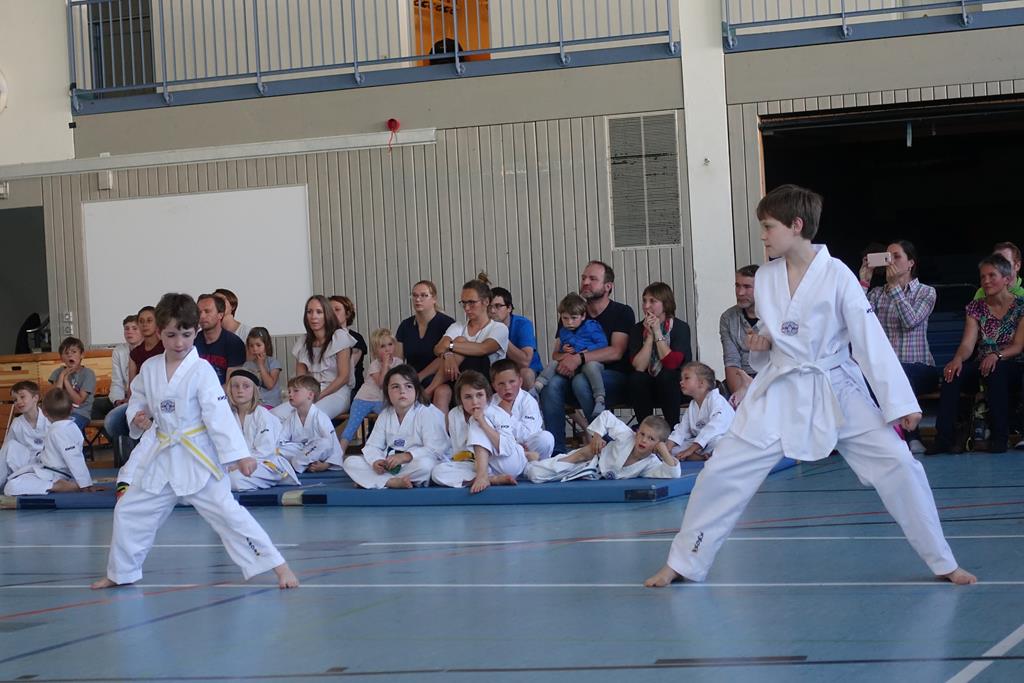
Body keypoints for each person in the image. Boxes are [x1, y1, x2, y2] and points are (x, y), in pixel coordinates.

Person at [644, 184, 975, 588]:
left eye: (769, 226)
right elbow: (781, 330)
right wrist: (763, 342)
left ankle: (943, 561)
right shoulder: (767, 278)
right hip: (781, 386)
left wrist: (899, 402)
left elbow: (868, 338)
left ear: (796, 225)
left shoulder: (837, 275)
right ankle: (684, 561)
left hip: (835, 385)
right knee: (722, 471)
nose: (763, 235)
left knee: (900, 465)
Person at [91, 293, 298, 590]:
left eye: (186, 335)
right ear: (159, 332)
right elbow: (138, 399)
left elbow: (218, 416)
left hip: (197, 457)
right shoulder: (150, 368)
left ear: (196, 332)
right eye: (171, 335)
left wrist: (239, 455)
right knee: (128, 510)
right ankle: (120, 573)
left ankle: (279, 566)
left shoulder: (201, 370)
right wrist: (138, 415)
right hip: (163, 456)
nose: (179, 343)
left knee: (228, 514)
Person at [929, 253, 1024, 455]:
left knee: (997, 371)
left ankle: (999, 438)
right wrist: (957, 359)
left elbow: (1018, 346)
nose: (986, 281)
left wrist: (997, 355)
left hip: (1011, 364)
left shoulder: (1021, 306)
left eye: (992, 276)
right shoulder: (976, 307)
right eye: (982, 277)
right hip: (982, 363)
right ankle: (944, 438)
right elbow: (967, 344)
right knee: (952, 374)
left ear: (1006, 279)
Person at [540, 261, 635, 454]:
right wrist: (566, 358)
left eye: (593, 279)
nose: (585, 282)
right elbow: (556, 352)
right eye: (584, 278)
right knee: (551, 385)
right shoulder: (572, 313)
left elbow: (616, 351)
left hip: (613, 377)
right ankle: (556, 452)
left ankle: (606, 447)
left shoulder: (622, 312)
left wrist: (579, 358)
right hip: (574, 374)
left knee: (582, 382)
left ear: (608, 286)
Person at [859, 240, 938, 454]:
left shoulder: (926, 292)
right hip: (887, 369)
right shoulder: (876, 294)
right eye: (887, 257)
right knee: (861, 379)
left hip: (920, 366)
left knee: (900, 375)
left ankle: (912, 436)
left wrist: (895, 288)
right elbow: (857, 318)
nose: (890, 261)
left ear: (911, 263)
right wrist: (864, 282)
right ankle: (877, 439)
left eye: (896, 256)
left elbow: (910, 321)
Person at [342, 365, 451, 489]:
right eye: (395, 387)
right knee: (350, 462)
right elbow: (373, 446)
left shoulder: (427, 412)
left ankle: (373, 480)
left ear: (417, 391)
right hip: (389, 466)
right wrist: (376, 461)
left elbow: (436, 448)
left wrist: (407, 456)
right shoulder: (385, 414)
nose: (402, 391)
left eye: (408, 386)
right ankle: (391, 482)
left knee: (426, 466)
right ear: (387, 392)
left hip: (414, 463)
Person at [425, 274, 509, 411]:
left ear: (486, 301)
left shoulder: (499, 328)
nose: (467, 308)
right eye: (463, 303)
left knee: (460, 340)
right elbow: (438, 348)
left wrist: (451, 347)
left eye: (471, 303)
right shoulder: (458, 326)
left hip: (484, 379)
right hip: (457, 376)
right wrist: (448, 355)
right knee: (441, 391)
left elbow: (483, 349)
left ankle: (428, 390)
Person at [431, 371, 525, 493]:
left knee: (475, 421)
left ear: (487, 395)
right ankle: (491, 479)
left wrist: (482, 422)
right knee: (437, 472)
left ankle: (482, 476)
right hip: (478, 464)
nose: (475, 401)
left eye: (479, 395)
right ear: (460, 399)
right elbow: (459, 451)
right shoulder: (454, 414)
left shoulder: (497, 413)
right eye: (468, 397)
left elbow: (507, 449)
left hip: (507, 462)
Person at [524, 413, 679, 483]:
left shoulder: (650, 463)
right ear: (637, 432)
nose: (643, 440)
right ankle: (530, 460)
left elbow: (673, 473)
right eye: (642, 434)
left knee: (539, 475)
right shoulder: (627, 435)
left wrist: (663, 450)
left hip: (592, 476)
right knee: (534, 473)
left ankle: (534, 460)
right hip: (590, 458)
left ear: (658, 444)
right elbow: (606, 417)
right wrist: (597, 437)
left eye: (651, 439)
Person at [274, 295, 356, 420]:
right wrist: (304, 396)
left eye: (319, 312)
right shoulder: (303, 341)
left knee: (311, 415)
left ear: (327, 314)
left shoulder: (339, 336)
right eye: (309, 312)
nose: (313, 316)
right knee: (275, 415)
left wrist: (318, 396)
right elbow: (301, 379)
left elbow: (343, 377)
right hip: (309, 392)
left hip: (336, 392)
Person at [4, 389, 95, 495]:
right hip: (47, 470)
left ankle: (57, 486)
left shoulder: (61, 431)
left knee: (11, 487)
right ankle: (56, 485)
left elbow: (74, 457)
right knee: (13, 481)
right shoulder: (67, 427)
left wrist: (85, 484)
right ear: (72, 409)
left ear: (44, 413)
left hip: (54, 474)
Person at [532, 293, 609, 418]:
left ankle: (600, 397)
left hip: (590, 361)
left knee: (591, 367)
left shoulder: (591, 326)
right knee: (553, 364)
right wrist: (564, 349)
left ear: (583, 316)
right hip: (571, 366)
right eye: (565, 318)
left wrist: (586, 351)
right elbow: (558, 352)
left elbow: (603, 343)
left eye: (574, 318)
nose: (569, 322)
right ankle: (537, 387)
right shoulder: (564, 331)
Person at [627, 282, 692, 428]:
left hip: (676, 387)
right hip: (649, 386)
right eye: (644, 301)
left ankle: (672, 428)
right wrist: (649, 337)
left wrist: (657, 332)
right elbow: (639, 366)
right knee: (636, 378)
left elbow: (671, 364)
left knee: (667, 375)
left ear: (665, 304)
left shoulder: (680, 327)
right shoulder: (637, 329)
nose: (646, 306)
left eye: (652, 301)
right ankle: (646, 428)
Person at [105, 306, 164, 462]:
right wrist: (132, 407)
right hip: (141, 401)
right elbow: (133, 386)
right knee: (113, 420)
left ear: (158, 323)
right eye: (141, 321)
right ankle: (131, 463)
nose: (145, 324)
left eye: (149, 320)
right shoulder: (135, 354)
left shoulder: (165, 348)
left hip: (162, 400)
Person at [224, 369, 299, 492]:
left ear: (255, 390)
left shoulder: (262, 415)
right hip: (235, 464)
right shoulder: (227, 417)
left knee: (233, 480)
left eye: (246, 386)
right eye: (235, 386)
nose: (240, 390)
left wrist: (240, 464)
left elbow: (265, 450)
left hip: (265, 463)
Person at [338, 328, 404, 455]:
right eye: (382, 346)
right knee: (352, 425)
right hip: (363, 399)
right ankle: (339, 453)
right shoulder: (375, 364)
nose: (387, 349)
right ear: (375, 351)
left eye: (390, 344)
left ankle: (392, 449)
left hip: (382, 401)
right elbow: (382, 383)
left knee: (390, 421)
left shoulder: (398, 363)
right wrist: (385, 365)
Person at [395, 280, 456, 413]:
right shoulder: (405, 326)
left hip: (440, 377)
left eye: (423, 295)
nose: (418, 299)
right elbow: (398, 360)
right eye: (415, 295)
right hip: (412, 378)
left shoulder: (447, 324)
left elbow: (448, 356)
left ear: (434, 298)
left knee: (441, 393)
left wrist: (420, 376)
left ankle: (440, 427)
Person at [667, 362, 735, 461]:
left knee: (719, 442)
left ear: (701, 383)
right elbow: (682, 430)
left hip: (720, 438)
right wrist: (668, 447)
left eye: (686, 378)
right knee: (674, 449)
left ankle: (697, 455)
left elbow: (714, 428)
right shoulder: (692, 405)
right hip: (700, 444)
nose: (681, 382)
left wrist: (691, 449)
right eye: (681, 379)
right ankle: (702, 457)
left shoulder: (717, 400)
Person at [276, 374, 344, 473]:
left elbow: (332, 445)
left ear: (310, 395)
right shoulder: (291, 417)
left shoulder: (320, 417)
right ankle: (301, 463)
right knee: (277, 448)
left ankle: (296, 463)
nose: (290, 394)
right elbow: (281, 439)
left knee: (325, 443)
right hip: (300, 452)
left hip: (315, 451)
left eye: (295, 391)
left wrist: (325, 465)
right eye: (289, 391)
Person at [489, 358, 554, 461]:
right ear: (494, 386)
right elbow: (491, 432)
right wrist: (515, 445)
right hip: (505, 447)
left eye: (512, 381)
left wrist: (508, 415)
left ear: (520, 381)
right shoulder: (490, 403)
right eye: (501, 384)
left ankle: (531, 462)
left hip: (528, 446)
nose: (507, 387)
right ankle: (522, 459)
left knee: (546, 438)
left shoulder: (528, 401)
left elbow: (529, 434)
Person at [489, 287, 543, 389]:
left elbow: (525, 361)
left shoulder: (522, 324)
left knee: (525, 374)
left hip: (525, 369)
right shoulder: (485, 325)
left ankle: (531, 399)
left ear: (509, 308)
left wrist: (501, 336)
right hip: (498, 370)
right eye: (489, 306)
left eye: (498, 306)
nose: (492, 311)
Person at [720, 265, 760, 400]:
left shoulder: (776, 315)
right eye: (737, 286)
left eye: (747, 287)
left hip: (771, 378)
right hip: (741, 379)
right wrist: (741, 399)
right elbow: (731, 362)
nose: (740, 292)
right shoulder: (728, 317)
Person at [0, 381, 47, 490]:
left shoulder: (49, 418)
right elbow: (6, 453)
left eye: (22, 397)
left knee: (14, 487)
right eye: (15, 400)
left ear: (35, 398)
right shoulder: (17, 423)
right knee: (9, 445)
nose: (18, 402)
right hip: (25, 465)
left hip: (47, 464)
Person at [93, 315, 141, 420]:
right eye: (126, 328)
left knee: (116, 417)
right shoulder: (119, 351)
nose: (129, 331)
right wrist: (117, 401)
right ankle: (111, 431)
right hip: (123, 396)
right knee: (94, 405)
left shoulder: (147, 350)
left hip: (140, 399)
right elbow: (117, 382)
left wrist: (130, 400)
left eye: (134, 328)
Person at [195, 293, 247, 386]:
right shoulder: (191, 342)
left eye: (207, 311)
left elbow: (231, 383)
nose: (202, 316)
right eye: (199, 312)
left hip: (223, 393)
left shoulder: (234, 343)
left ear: (220, 315)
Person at [48, 336, 96, 434]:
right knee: (46, 427)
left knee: (68, 429)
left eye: (74, 352)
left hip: (80, 413)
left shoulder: (88, 374)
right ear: (61, 358)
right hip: (59, 413)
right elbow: (55, 398)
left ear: (82, 355)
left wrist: (66, 381)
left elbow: (79, 401)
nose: (70, 355)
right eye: (66, 353)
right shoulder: (58, 373)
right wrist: (62, 376)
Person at [330, 295, 368, 395]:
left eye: (337, 310)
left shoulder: (356, 338)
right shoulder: (323, 338)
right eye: (329, 310)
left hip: (352, 390)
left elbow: (349, 368)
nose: (332, 314)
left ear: (347, 314)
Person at [242, 327, 283, 408]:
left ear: (266, 345)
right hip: (253, 404)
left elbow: (270, 385)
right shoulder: (247, 365)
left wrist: (261, 365)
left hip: (271, 404)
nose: (255, 349)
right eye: (251, 346)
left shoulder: (273, 363)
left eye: (258, 345)